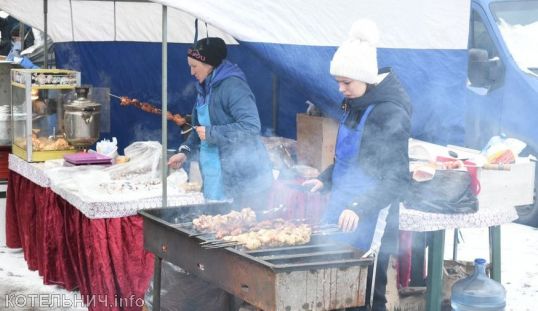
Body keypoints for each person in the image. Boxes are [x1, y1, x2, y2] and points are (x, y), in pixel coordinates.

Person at [303, 19, 412, 311]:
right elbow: (351, 160)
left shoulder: (390, 113)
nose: (341, 89)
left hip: (371, 214)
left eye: (346, 82)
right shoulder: (356, 103)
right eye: (338, 82)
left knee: (365, 294)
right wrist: (326, 179)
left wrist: (359, 206)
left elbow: (398, 179)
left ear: (364, 77)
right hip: (343, 206)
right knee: (336, 287)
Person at [168, 36, 273, 210]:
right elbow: (197, 128)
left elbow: (251, 126)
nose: (191, 72)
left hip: (242, 179)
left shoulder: (234, 86)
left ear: (209, 65)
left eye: (194, 66)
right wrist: (184, 152)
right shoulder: (204, 88)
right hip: (213, 175)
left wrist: (211, 133)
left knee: (237, 230)